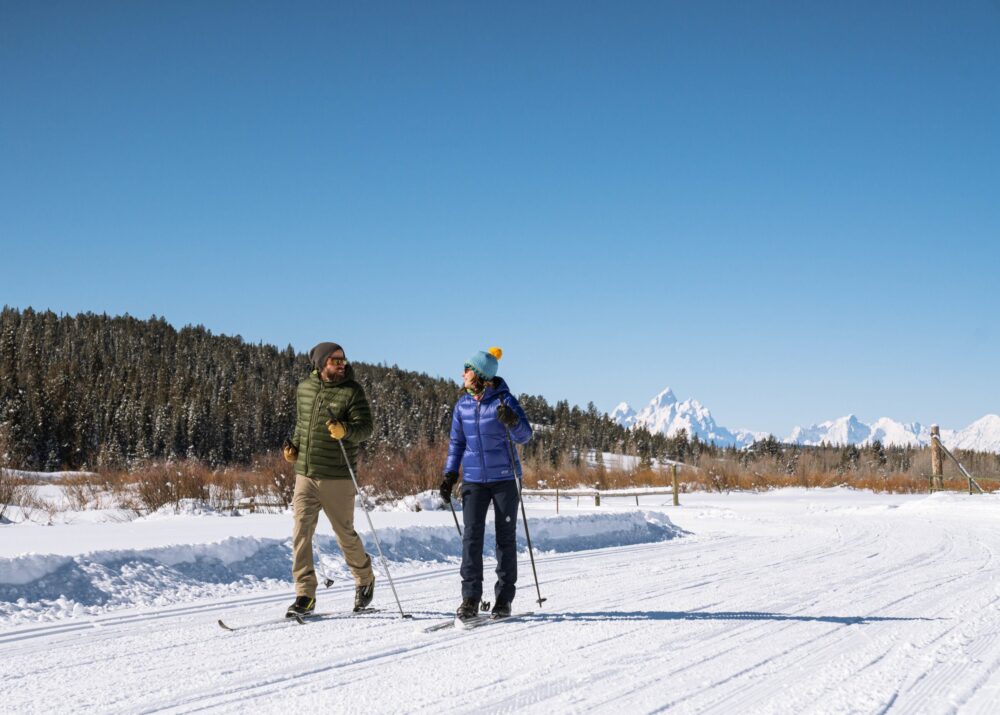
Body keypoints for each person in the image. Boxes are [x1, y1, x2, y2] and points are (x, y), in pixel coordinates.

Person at [281, 342, 375, 617]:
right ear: (321, 364)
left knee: (344, 534)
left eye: (343, 359)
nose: (341, 364)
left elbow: (366, 428)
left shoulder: (352, 391)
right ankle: (304, 594)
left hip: (338, 476)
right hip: (305, 474)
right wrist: (294, 448)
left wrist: (345, 430)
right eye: (335, 360)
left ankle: (365, 578)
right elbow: (302, 423)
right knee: (300, 533)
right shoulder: (305, 389)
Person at [439, 346, 533, 620]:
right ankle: (470, 598)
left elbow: (524, 436)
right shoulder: (462, 405)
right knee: (472, 539)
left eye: (467, 369)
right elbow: (456, 443)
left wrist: (513, 421)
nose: (462, 373)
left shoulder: (504, 401)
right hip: (474, 481)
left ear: (479, 374)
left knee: (505, 540)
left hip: (505, 478)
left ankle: (504, 599)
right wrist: (449, 475)